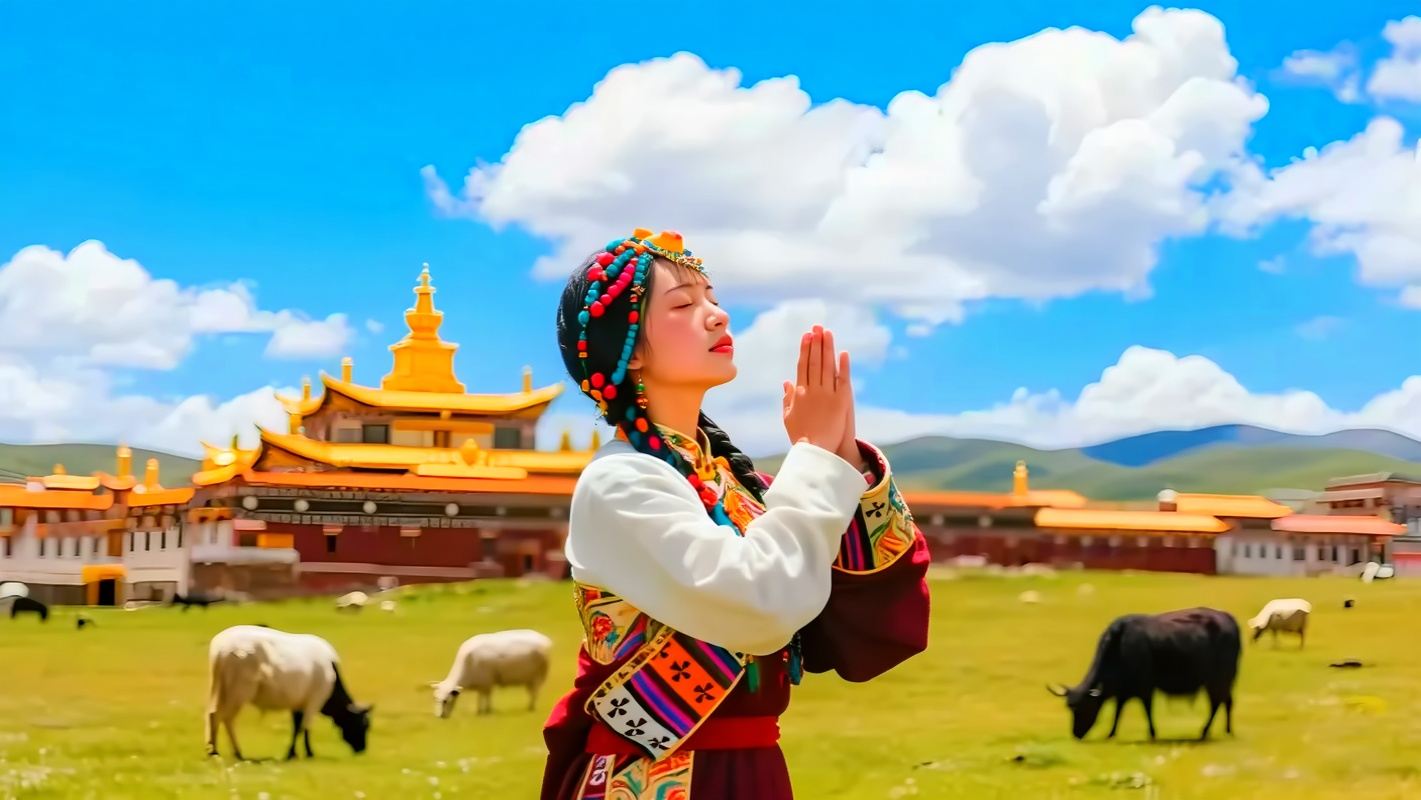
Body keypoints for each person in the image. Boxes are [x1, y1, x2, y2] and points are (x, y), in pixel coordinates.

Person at [543, 228, 931, 799]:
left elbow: (870, 615)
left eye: (713, 299)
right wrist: (816, 459)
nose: (718, 317)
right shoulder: (621, 482)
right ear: (628, 347)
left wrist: (844, 459)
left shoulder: (729, 486)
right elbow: (763, 603)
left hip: (753, 768)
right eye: (682, 304)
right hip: (653, 778)